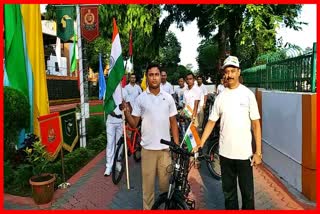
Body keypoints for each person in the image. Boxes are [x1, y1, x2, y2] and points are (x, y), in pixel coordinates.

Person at [197, 56, 262, 210]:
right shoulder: (221, 97)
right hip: (225, 155)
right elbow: (211, 122)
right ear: (224, 74)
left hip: (245, 155)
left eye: (233, 71)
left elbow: (255, 124)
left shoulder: (248, 95)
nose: (230, 75)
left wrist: (258, 152)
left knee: (248, 196)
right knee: (229, 195)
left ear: (239, 72)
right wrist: (201, 142)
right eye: (227, 71)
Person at [122, 63, 179, 210]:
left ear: (161, 76)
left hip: (165, 150)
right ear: (147, 77)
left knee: (165, 187)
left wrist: (176, 146)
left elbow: (173, 122)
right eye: (151, 75)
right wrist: (127, 112)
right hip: (147, 150)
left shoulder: (168, 98)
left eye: (156, 74)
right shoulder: (140, 99)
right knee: (147, 190)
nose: (154, 78)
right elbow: (134, 124)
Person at [104, 89, 129, 176]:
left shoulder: (124, 91)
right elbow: (106, 105)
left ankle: (117, 162)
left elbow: (127, 105)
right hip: (110, 122)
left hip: (121, 121)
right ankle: (109, 166)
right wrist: (111, 112)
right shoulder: (108, 91)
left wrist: (128, 116)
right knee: (110, 143)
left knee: (120, 144)